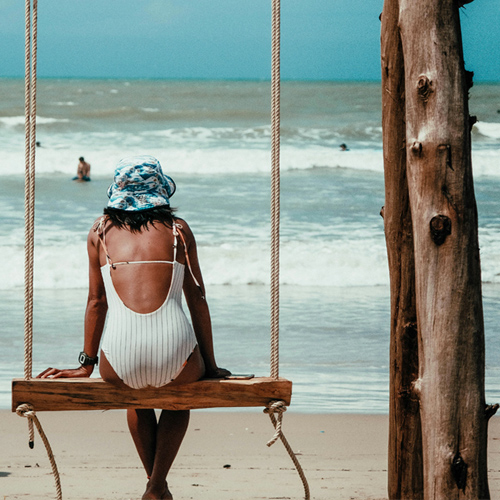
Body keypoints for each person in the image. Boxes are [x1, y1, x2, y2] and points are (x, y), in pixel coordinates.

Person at [38, 155, 231, 500]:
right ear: (160, 190)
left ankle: (156, 487)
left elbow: (96, 302)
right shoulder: (178, 231)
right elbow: (197, 299)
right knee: (179, 398)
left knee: (137, 396)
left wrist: (86, 365)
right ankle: (156, 486)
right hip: (178, 356)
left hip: (119, 361)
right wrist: (211, 367)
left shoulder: (100, 231)